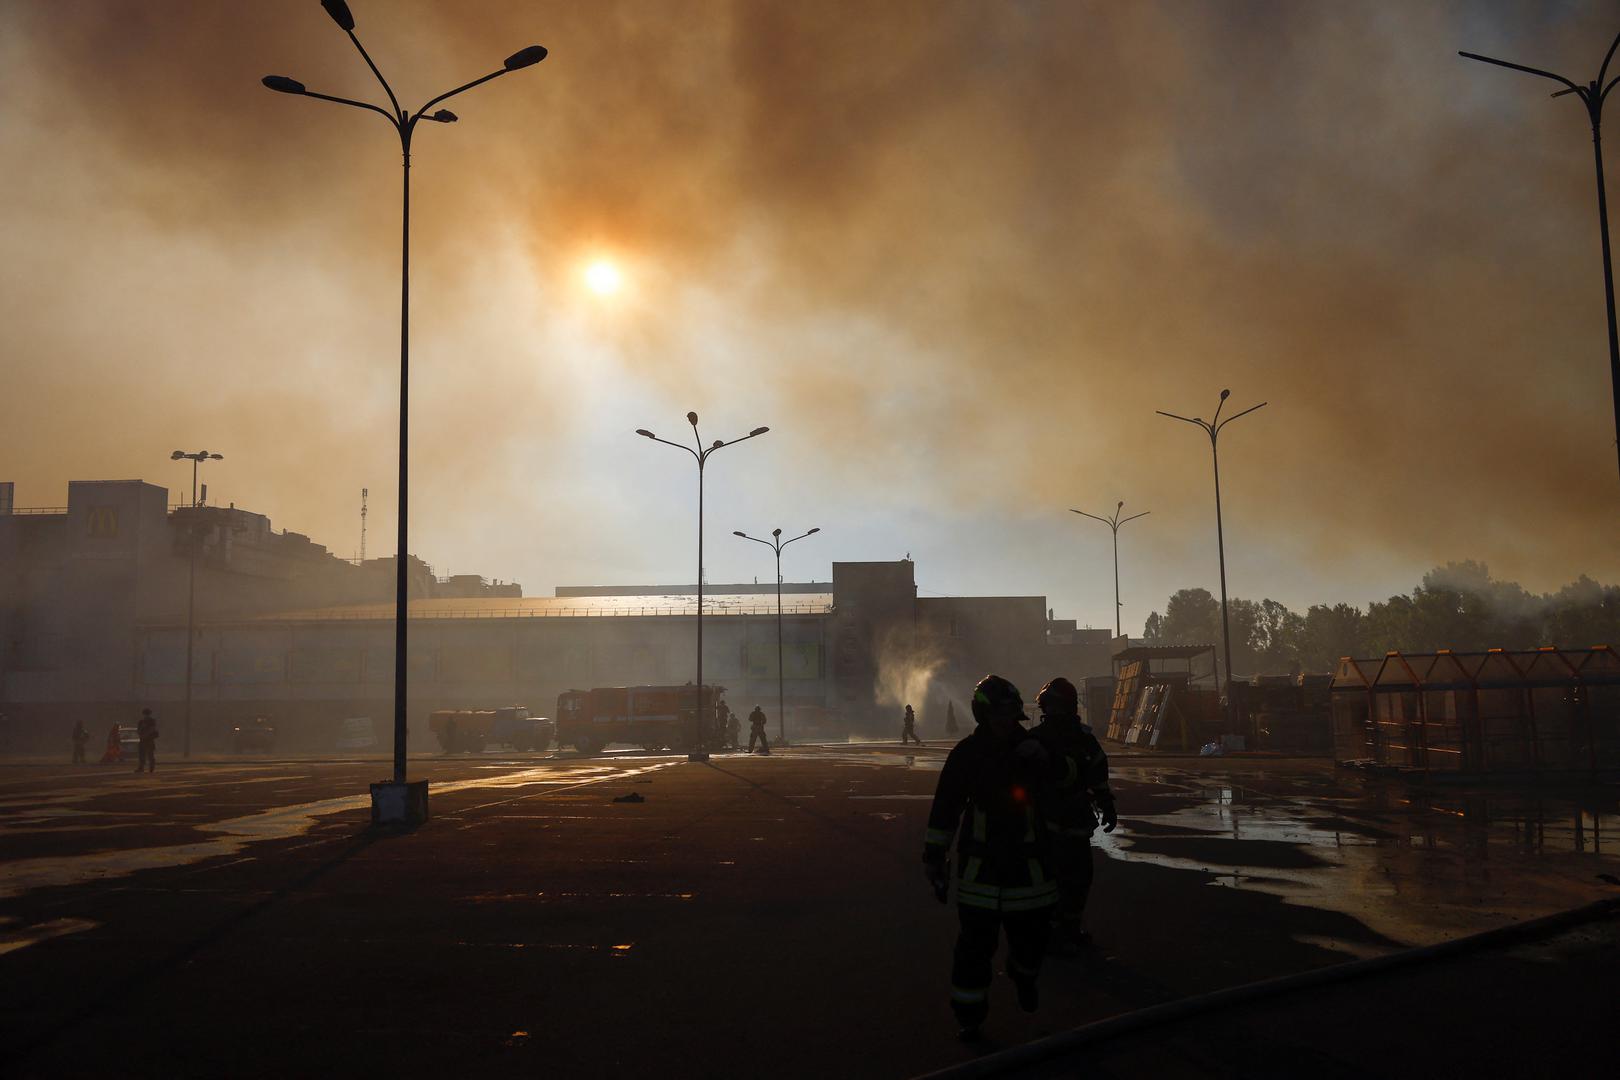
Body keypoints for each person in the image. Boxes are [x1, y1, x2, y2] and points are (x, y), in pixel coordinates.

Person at [923, 675, 1069, 1042]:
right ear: (984, 715)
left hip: (1030, 872)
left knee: (1033, 944)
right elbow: (945, 810)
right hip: (981, 874)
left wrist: (1048, 761)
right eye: (1001, 716)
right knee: (973, 953)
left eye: (1012, 716)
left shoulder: (1035, 749)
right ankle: (969, 1019)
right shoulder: (967, 755)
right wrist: (934, 860)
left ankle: (1023, 975)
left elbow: (1070, 780)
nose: (1008, 724)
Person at [1030, 677, 1116, 951]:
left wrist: (1106, 802)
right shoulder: (1038, 740)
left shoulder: (1077, 739)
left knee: (1077, 877)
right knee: (1056, 877)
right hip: (1047, 822)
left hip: (1069, 820)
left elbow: (1098, 772)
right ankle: (1056, 928)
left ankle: (1069, 927)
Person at [135, 707, 158, 773]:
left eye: (147, 714)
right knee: (142, 754)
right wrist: (141, 734)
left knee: (150, 754)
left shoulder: (152, 721)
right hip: (143, 740)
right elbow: (138, 730)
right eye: (145, 714)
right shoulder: (141, 722)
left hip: (149, 740)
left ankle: (151, 767)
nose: (146, 715)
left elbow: (152, 729)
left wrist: (145, 735)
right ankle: (141, 767)